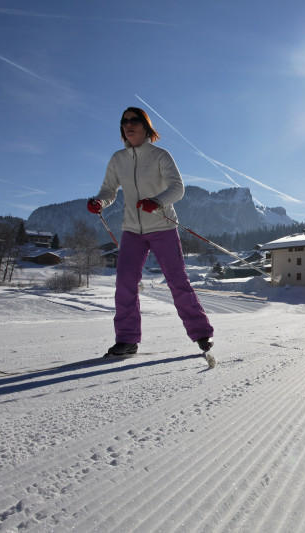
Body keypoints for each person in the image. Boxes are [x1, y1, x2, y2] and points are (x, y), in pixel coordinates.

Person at [87, 107, 214, 358]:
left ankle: (200, 332)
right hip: (132, 230)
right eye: (124, 121)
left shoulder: (159, 155)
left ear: (146, 126)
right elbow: (109, 190)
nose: (129, 125)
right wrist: (100, 202)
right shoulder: (117, 159)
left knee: (177, 281)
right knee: (124, 281)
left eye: (134, 121)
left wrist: (157, 201)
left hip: (162, 225)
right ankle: (127, 339)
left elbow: (177, 188)